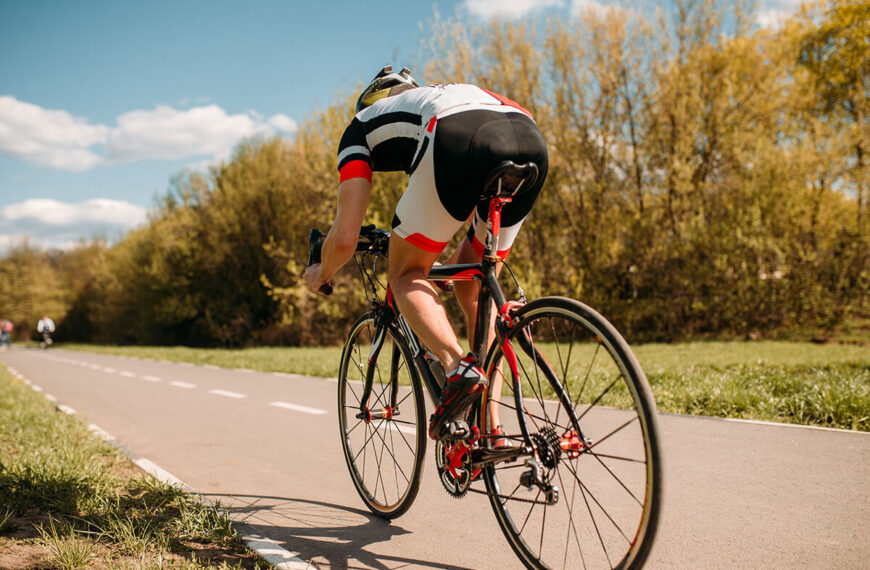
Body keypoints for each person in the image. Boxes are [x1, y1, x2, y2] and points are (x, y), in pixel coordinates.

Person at [304, 65, 548, 442]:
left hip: (455, 134)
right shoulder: (434, 96)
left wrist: (321, 273)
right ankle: (491, 427)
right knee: (477, 287)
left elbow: (344, 238)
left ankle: (456, 369)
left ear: (369, 100)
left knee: (405, 275)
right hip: (527, 134)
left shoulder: (360, 125)